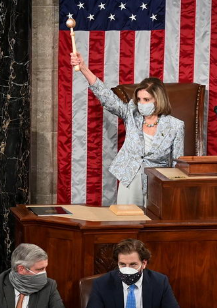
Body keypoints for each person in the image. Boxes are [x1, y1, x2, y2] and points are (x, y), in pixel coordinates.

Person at [70, 50, 185, 207]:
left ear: (158, 100)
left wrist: (174, 191)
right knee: (127, 222)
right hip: (129, 178)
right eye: (139, 99)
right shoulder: (132, 114)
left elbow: (178, 164)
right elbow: (107, 98)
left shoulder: (175, 126)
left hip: (157, 183)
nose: (141, 103)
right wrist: (84, 68)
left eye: (146, 99)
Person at [84, 238, 183, 308]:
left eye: (133, 265)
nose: (127, 270)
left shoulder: (159, 282)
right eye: (122, 264)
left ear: (144, 264)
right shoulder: (102, 283)